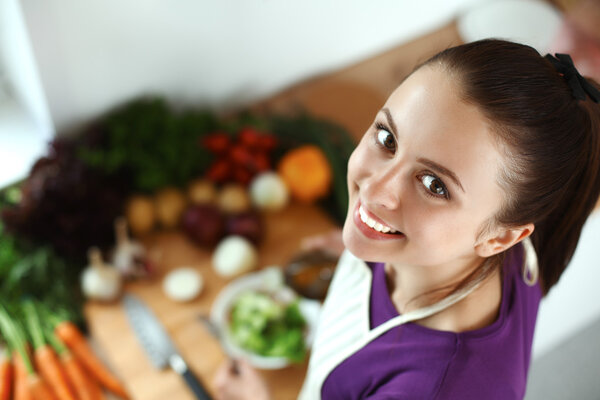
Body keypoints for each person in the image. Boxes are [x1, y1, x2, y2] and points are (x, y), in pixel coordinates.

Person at [213, 39, 600, 400]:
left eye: (434, 185)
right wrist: (366, 244)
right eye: (387, 138)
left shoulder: (437, 388)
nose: (375, 190)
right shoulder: (499, 229)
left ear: (500, 239)